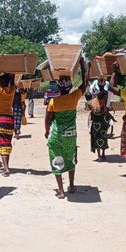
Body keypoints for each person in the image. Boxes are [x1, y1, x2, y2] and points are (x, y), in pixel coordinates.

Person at [45, 57, 88, 199]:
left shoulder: (53, 101)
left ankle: (61, 191)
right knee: (70, 159)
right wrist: (82, 64)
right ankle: (72, 185)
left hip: (57, 136)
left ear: (59, 87)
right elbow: (85, 83)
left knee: (57, 159)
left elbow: (48, 119)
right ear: (70, 87)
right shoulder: (74, 97)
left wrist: (46, 131)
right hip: (70, 136)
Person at [88, 89, 116, 161]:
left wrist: (111, 117)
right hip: (98, 123)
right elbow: (97, 112)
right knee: (99, 138)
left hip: (101, 124)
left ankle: (102, 154)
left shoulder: (97, 102)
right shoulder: (94, 103)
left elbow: (106, 112)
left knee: (102, 138)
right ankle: (100, 155)